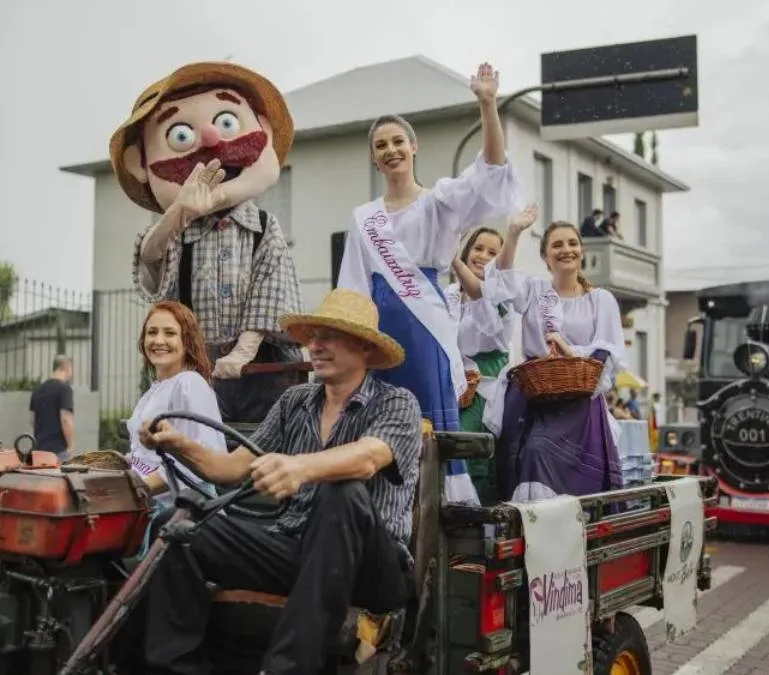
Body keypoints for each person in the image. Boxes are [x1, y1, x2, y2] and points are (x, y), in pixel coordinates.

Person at [138, 288, 421, 675]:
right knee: (176, 527)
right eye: (312, 337)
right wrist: (179, 443)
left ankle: (286, 669)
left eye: (329, 337)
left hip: (372, 568)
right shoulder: (295, 402)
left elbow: (369, 457)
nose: (315, 347)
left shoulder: (396, 402)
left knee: (341, 491)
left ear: (365, 349)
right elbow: (231, 469)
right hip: (298, 550)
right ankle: (176, 668)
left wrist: (301, 468)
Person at [336, 62, 521, 505]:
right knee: (381, 420)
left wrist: (487, 103)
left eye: (398, 141)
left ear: (413, 147)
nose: (390, 150)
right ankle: (384, 507)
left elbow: (491, 172)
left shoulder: (439, 202)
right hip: (379, 332)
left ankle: (442, 511)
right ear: (372, 157)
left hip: (426, 329)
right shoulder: (364, 218)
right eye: (381, 145)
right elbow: (354, 288)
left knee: (430, 425)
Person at [114, 61, 305, 423]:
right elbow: (151, 266)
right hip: (194, 368)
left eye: (226, 123)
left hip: (262, 368)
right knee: (192, 449)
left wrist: (242, 352)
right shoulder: (176, 233)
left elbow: (270, 292)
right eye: (181, 135)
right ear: (139, 161)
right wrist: (179, 212)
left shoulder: (264, 228)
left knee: (259, 452)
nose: (210, 139)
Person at [484, 219, 626, 500]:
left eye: (573, 243)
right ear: (545, 256)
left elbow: (606, 353)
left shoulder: (600, 299)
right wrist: (513, 232)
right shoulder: (536, 291)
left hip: (580, 403)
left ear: (582, 251)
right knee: (523, 452)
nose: (566, 250)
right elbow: (501, 280)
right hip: (537, 399)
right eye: (557, 245)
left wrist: (568, 351)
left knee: (540, 450)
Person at [445, 207, 535, 502]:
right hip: (447, 392)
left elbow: (481, 299)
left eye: (492, 252)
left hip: (483, 395)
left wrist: (513, 234)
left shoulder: (501, 298)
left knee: (472, 456)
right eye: (478, 248)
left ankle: (477, 521)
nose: (483, 255)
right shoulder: (446, 295)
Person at [126, 301, 228, 556]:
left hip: (183, 514)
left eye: (169, 333)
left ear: (187, 341)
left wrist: (136, 490)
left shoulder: (189, 383)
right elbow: (141, 457)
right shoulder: (154, 390)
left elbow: (200, 462)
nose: (158, 340)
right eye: (152, 332)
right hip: (148, 505)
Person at [29, 355, 74, 461]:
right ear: (66, 368)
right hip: (58, 451)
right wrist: (71, 446)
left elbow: (32, 420)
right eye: (71, 369)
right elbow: (66, 419)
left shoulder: (37, 390)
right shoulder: (65, 389)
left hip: (39, 450)